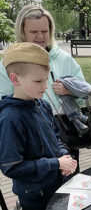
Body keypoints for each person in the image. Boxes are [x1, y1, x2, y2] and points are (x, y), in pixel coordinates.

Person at [0, 5, 85, 174]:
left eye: (44, 31)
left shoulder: (62, 58)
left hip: (64, 128)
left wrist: (69, 90)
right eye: (34, 32)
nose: (40, 37)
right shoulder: (10, 64)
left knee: (70, 175)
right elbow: (5, 100)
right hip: (31, 132)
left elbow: (83, 91)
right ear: (22, 32)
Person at [0, 42, 77, 210]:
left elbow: (56, 137)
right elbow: (11, 166)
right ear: (15, 79)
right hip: (35, 198)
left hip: (57, 186)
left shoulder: (43, 105)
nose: (45, 86)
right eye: (38, 81)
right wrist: (55, 164)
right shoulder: (10, 119)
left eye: (46, 79)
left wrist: (64, 157)